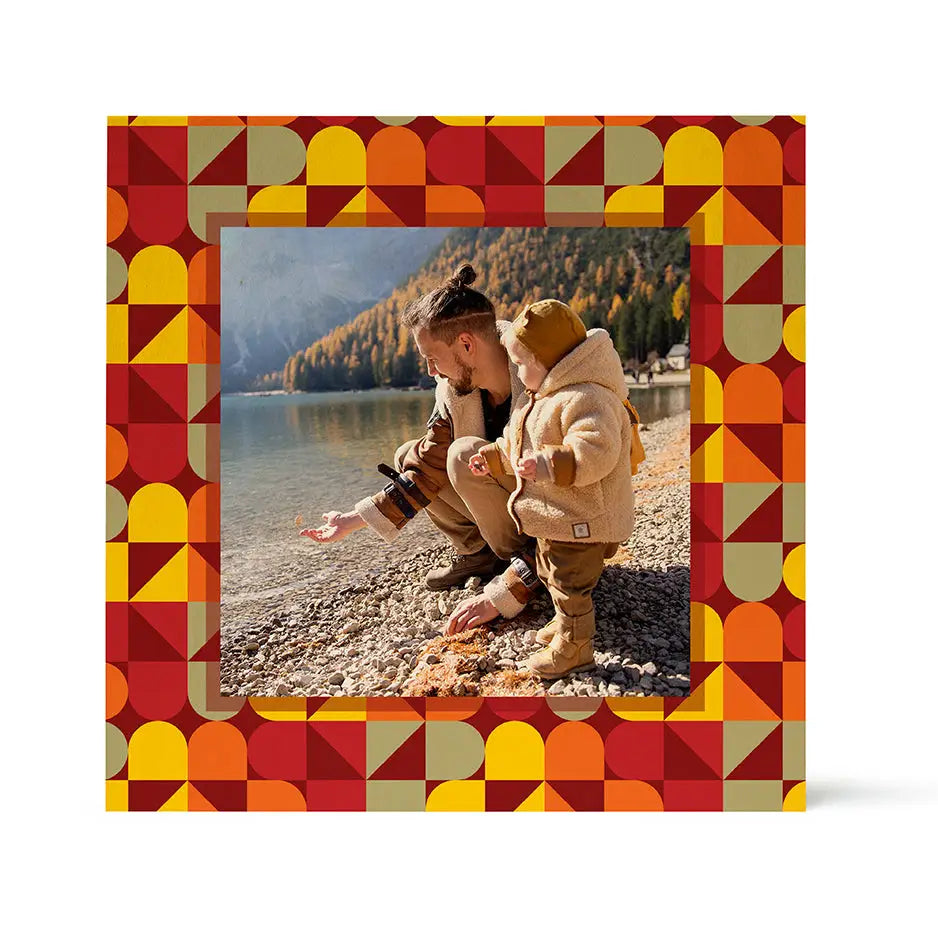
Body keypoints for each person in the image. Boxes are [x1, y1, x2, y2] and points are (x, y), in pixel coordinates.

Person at [301, 263, 541, 631]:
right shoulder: (453, 391)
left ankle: (516, 564)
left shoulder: (540, 379)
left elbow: (572, 501)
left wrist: (508, 590)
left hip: (557, 532)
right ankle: (478, 554)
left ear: (466, 344)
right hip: (511, 510)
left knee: (464, 455)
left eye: (433, 359)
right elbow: (426, 467)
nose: (431, 372)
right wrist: (354, 520)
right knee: (409, 454)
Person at [468, 299, 635, 679]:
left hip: (585, 518)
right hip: (557, 518)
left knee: (569, 583)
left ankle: (576, 647)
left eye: (522, 363)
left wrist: (550, 462)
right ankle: (564, 627)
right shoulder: (542, 399)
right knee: (547, 571)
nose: (517, 371)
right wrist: (494, 457)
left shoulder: (586, 398)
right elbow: (516, 442)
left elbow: (596, 450)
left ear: (551, 361)